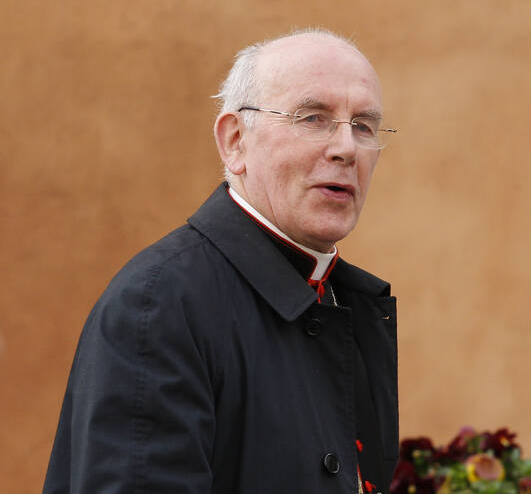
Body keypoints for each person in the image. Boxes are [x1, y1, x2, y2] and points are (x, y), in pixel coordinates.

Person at [43, 29, 399, 494]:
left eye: (363, 126)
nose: (346, 148)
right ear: (235, 141)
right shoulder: (160, 305)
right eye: (313, 118)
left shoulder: (344, 298)